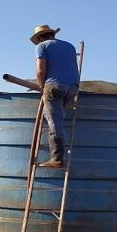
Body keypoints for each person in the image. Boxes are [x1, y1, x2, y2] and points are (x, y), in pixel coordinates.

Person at [30, 24, 79, 168]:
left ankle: (57, 158)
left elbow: (40, 70)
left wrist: (41, 87)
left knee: (54, 122)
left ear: (39, 38)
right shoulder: (70, 46)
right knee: (59, 118)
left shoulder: (42, 46)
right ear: (52, 34)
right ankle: (59, 154)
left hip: (54, 86)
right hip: (73, 88)